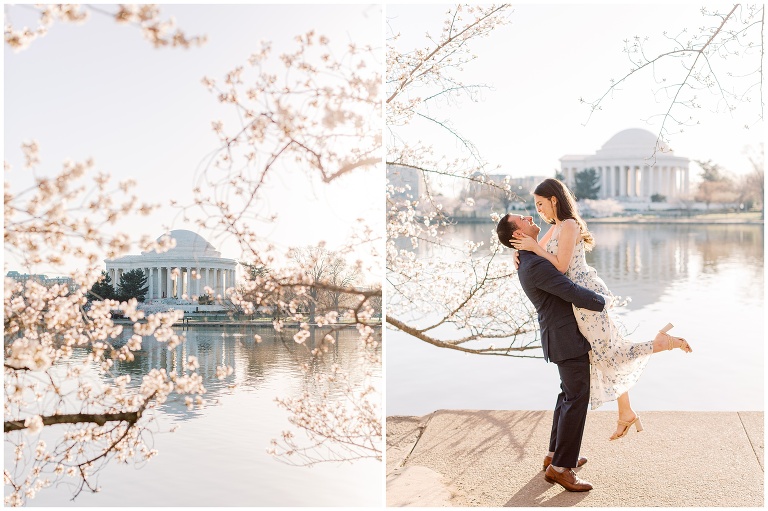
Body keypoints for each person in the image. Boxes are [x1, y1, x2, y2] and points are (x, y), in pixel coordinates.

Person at [509, 178, 692, 441]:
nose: (538, 210)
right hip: (575, 301)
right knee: (603, 354)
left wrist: (534, 247)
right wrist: (516, 252)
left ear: (554, 199)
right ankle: (626, 411)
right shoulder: (555, 227)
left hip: (585, 296)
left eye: (540, 204)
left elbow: (560, 266)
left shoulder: (569, 224)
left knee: (607, 354)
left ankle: (660, 344)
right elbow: (537, 255)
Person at [496, 213, 605, 492]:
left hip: (559, 336)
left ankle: (555, 455)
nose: (530, 216)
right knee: (577, 398)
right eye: (523, 218)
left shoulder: (530, 259)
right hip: (565, 338)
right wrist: (601, 301)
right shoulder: (535, 266)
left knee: (568, 395)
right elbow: (569, 290)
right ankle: (560, 469)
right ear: (518, 234)